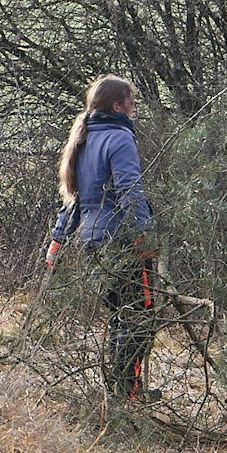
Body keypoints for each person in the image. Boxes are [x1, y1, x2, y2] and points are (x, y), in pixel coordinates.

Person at [46, 74, 160, 401]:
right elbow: (129, 190)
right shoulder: (119, 137)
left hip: (91, 243)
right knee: (141, 315)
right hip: (121, 241)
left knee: (119, 317)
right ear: (117, 106)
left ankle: (120, 388)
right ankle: (128, 392)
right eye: (132, 104)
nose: (134, 110)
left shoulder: (83, 139)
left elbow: (75, 201)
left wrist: (58, 241)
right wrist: (142, 236)